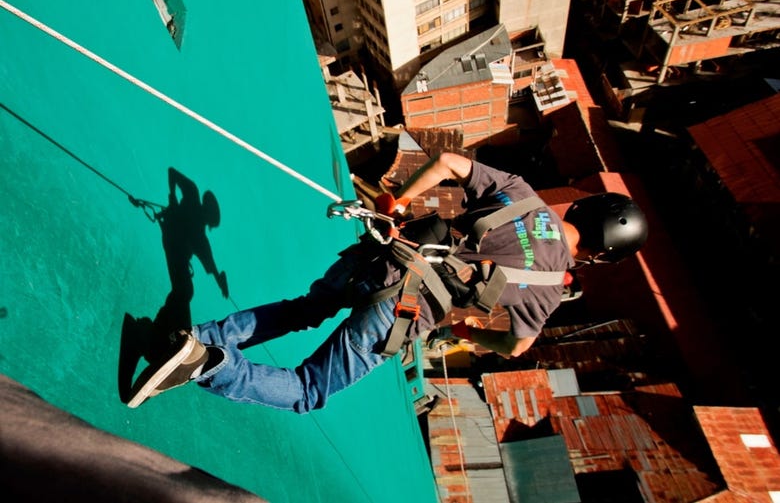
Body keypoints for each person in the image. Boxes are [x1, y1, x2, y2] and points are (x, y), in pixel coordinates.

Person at [126, 153, 648, 411]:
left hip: (381, 258)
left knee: (302, 308)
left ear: (587, 205)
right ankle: (208, 364)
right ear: (603, 254)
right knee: (309, 390)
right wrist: (467, 336)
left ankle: (198, 338)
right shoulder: (551, 288)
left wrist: (394, 202)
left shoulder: (522, 193)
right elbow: (514, 348)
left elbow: (446, 163)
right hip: (403, 314)